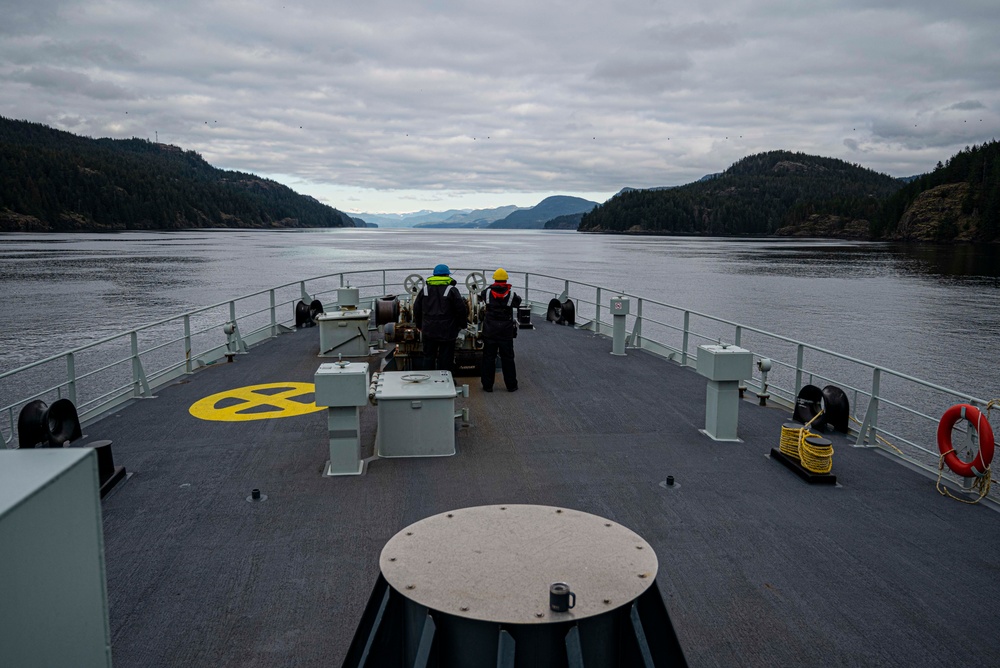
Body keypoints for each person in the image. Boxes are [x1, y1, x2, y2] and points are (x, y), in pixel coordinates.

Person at [413, 264, 468, 373]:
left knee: (428, 357)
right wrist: (462, 325)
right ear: (447, 274)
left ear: (434, 275)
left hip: (428, 330)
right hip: (447, 331)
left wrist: (419, 325)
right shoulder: (451, 290)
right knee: (446, 358)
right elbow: (461, 309)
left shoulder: (425, 290)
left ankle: (428, 381)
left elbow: (416, 308)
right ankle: (445, 383)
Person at [479, 268, 521, 392]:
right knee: (508, 359)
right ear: (506, 279)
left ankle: (487, 386)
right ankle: (511, 385)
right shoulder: (511, 295)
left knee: (488, 358)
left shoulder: (486, 293)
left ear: (494, 279)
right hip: (505, 332)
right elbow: (518, 303)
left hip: (490, 331)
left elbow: (481, 298)